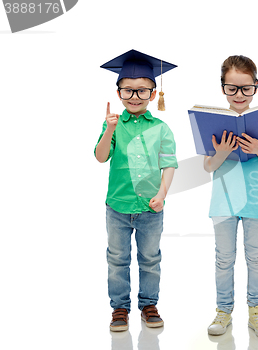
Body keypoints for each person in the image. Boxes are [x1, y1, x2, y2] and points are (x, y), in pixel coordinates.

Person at [95, 49, 178, 332]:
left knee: (150, 258)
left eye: (142, 91)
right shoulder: (114, 126)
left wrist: (162, 194)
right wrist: (108, 130)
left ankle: (149, 305)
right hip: (117, 206)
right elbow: (100, 156)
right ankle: (119, 308)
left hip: (150, 208)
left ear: (154, 94)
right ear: (118, 93)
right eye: (128, 91)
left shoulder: (161, 128)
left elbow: (169, 165)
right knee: (117, 258)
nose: (134, 97)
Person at [204, 55, 258, 338]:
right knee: (224, 258)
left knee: (256, 257)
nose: (239, 95)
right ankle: (223, 311)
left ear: (256, 87)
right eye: (232, 88)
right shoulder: (213, 121)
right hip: (223, 200)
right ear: (223, 87)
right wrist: (220, 153)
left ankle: (257, 313)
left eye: (246, 88)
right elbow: (208, 166)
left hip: (256, 199)